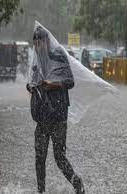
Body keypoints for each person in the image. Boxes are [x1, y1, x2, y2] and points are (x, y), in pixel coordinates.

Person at [27, 26, 85, 194]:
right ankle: (41, 191)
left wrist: (53, 85)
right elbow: (35, 81)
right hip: (42, 116)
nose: (38, 47)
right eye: (35, 44)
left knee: (59, 157)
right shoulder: (37, 61)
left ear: (47, 41)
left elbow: (70, 81)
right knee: (39, 157)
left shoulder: (59, 56)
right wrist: (31, 87)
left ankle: (77, 184)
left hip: (58, 115)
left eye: (40, 43)